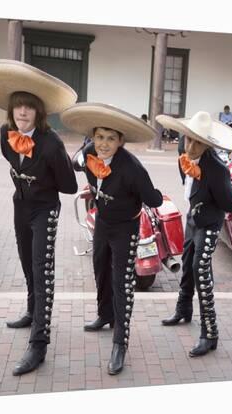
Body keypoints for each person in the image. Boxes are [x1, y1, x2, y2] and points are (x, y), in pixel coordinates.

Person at [0, 59, 78, 375]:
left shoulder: (52, 143)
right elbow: (11, 160)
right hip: (21, 206)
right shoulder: (6, 133)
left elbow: (70, 186)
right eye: (18, 107)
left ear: (38, 113)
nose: (22, 113)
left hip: (45, 209)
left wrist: (46, 173)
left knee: (42, 269)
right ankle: (33, 311)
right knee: (25, 263)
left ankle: (39, 343)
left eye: (29, 108)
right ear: (11, 111)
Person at [61, 103, 163, 374]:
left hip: (126, 228)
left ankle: (120, 342)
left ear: (120, 141)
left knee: (122, 282)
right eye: (99, 137)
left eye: (110, 138)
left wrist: (150, 192)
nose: (103, 144)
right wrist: (85, 167)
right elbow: (74, 162)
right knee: (99, 268)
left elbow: (152, 199)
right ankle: (104, 315)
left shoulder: (132, 169)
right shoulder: (89, 152)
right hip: (103, 222)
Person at [156, 111, 232, 357]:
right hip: (193, 219)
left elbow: (230, 205)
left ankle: (209, 334)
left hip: (211, 223)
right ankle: (183, 311)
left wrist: (210, 194)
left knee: (200, 270)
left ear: (208, 144)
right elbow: (189, 187)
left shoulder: (218, 170)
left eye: (197, 142)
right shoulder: (183, 156)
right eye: (187, 139)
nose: (190, 146)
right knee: (187, 262)